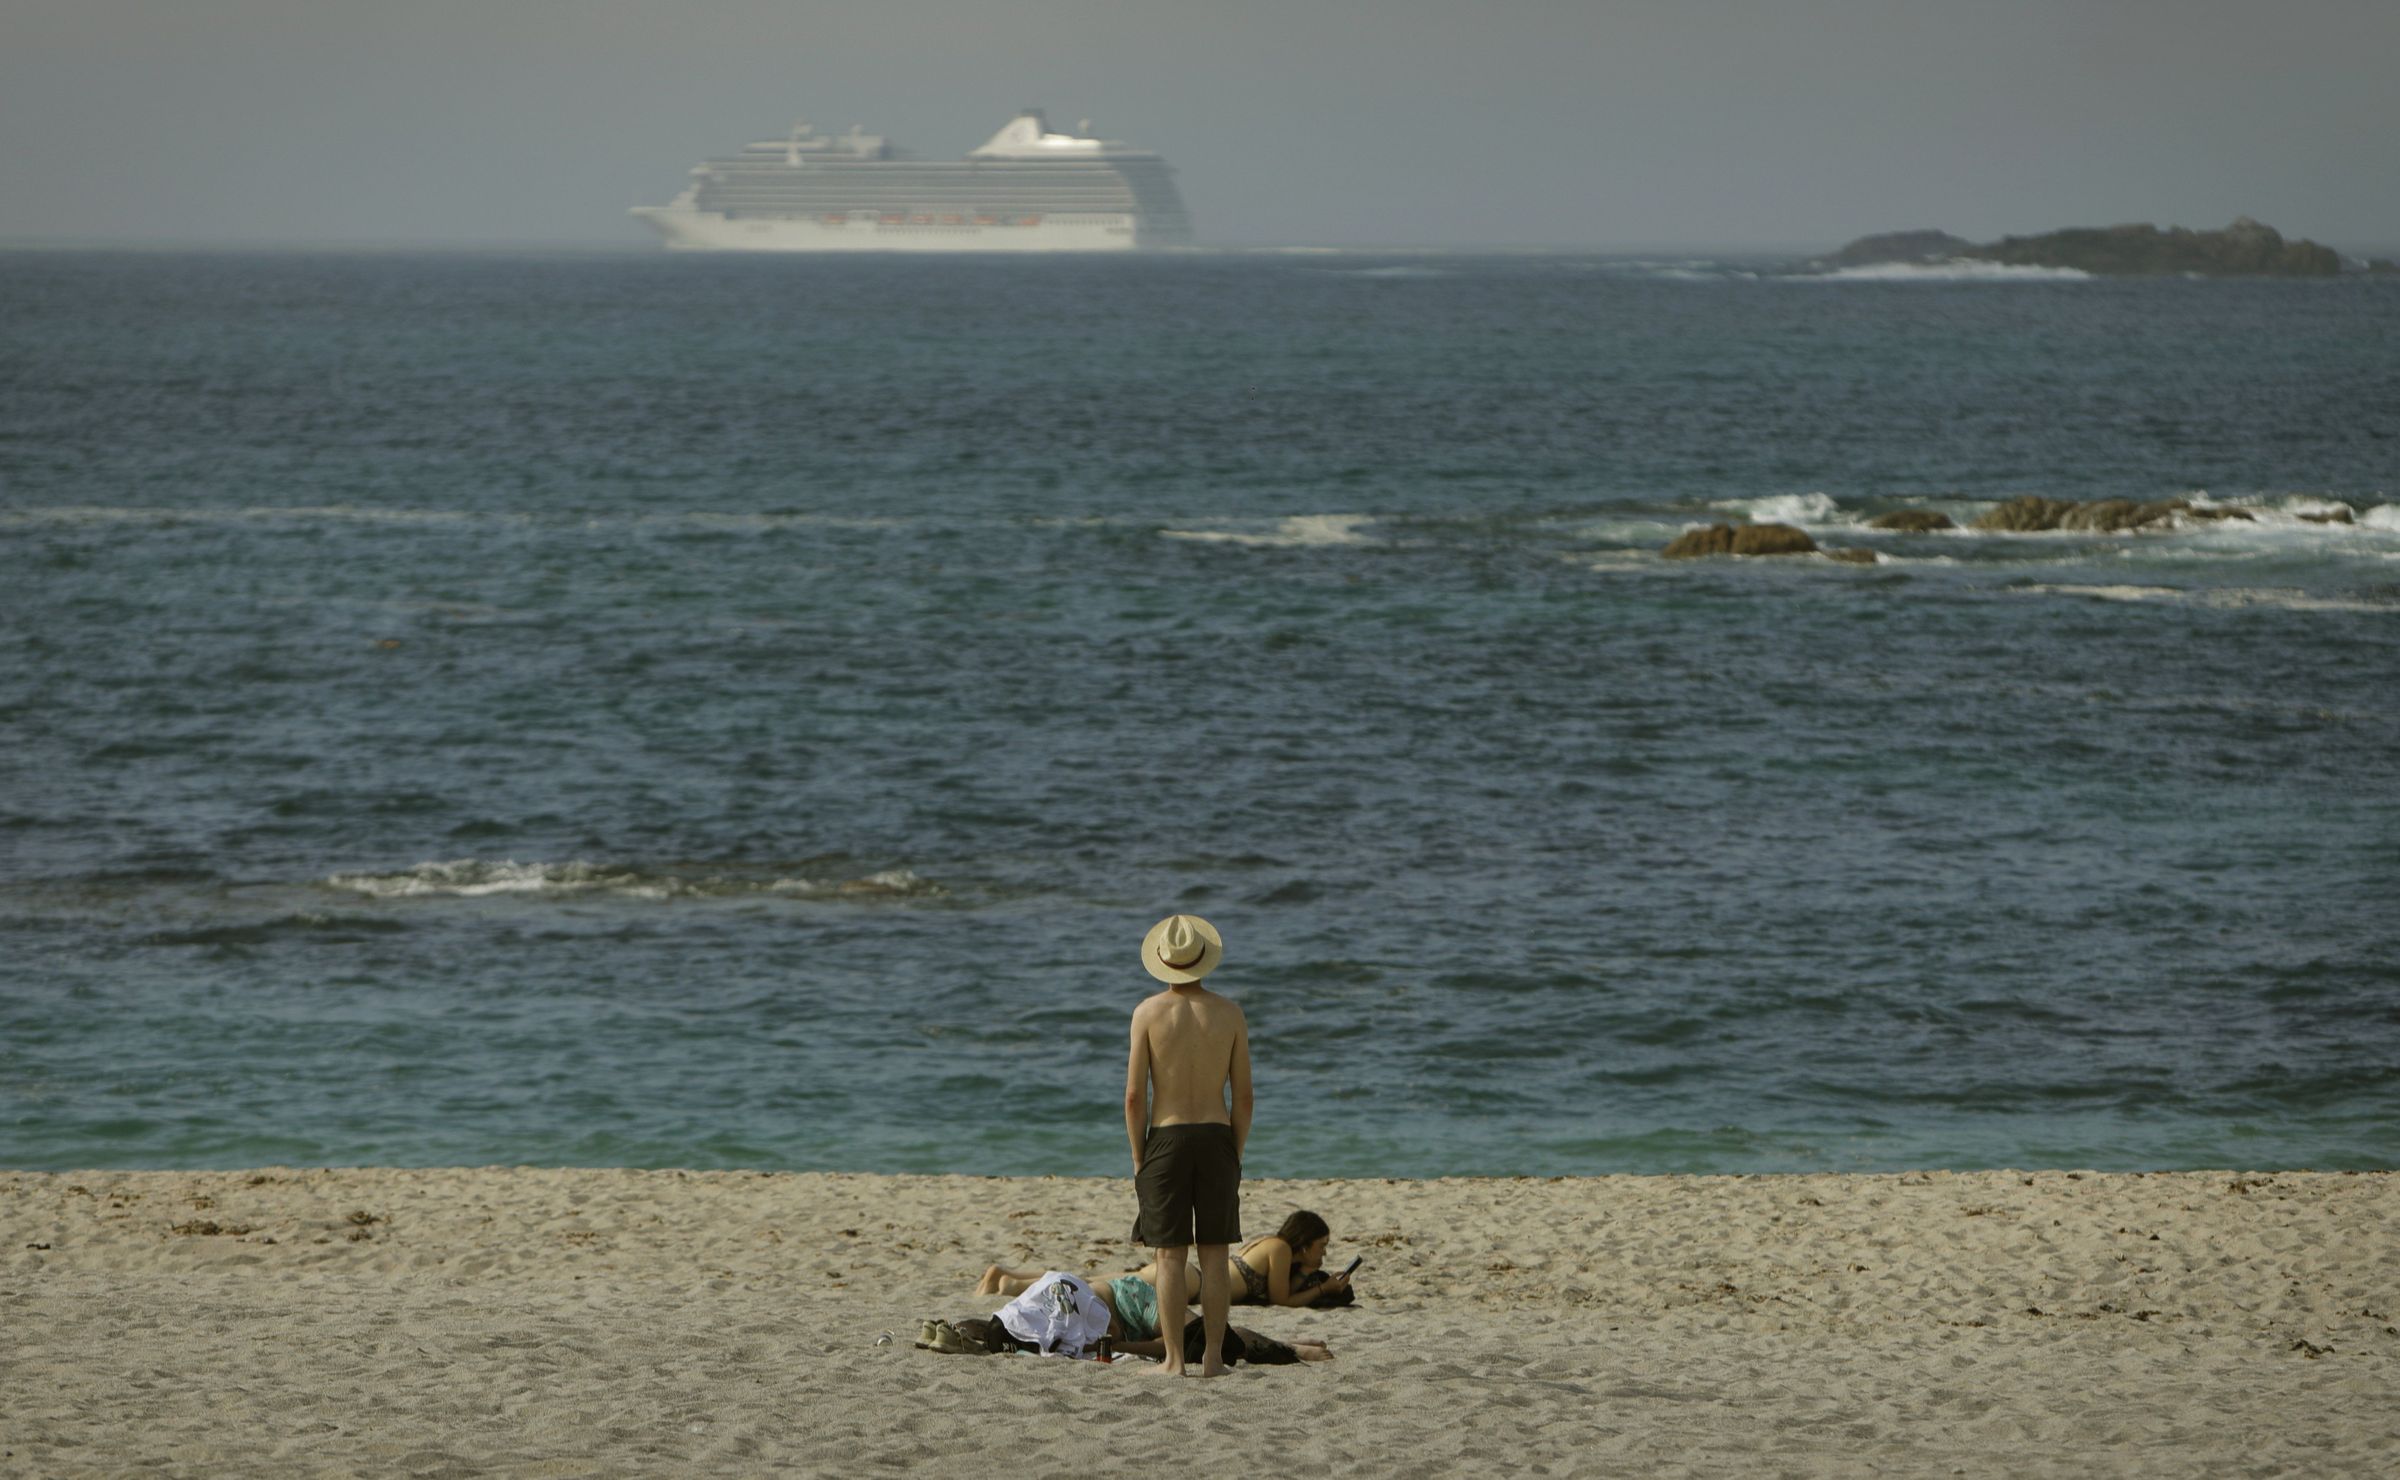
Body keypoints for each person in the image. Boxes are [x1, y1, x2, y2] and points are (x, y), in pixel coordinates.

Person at [1124, 913, 1251, 1378]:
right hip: (1217, 1136)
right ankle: (1214, 1358)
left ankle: (1174, 1360)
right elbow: (1245, 1097)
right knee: (1215, 1254)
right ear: (1203, 960)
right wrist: (1234, 1150)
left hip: (1167, 1136)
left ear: (1163, 960)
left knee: (1169, 1256)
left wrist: (1140, 1155)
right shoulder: (1229, 1013)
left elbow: (1136, 1096)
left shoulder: (1147, 1014)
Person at [1136, 1209, 1354, 1309]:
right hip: (1195, 1283)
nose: (1325, 1252)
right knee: (1119, 1284)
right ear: (1305, 1245)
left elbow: (1285, 1291)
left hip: (1194, 1281)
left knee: (1121, 1283)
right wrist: (1324, 1289)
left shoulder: (1275, 1246)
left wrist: (1306, 1270)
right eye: (1322, 1245)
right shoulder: (1280, 1248)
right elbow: (1282, 1300)